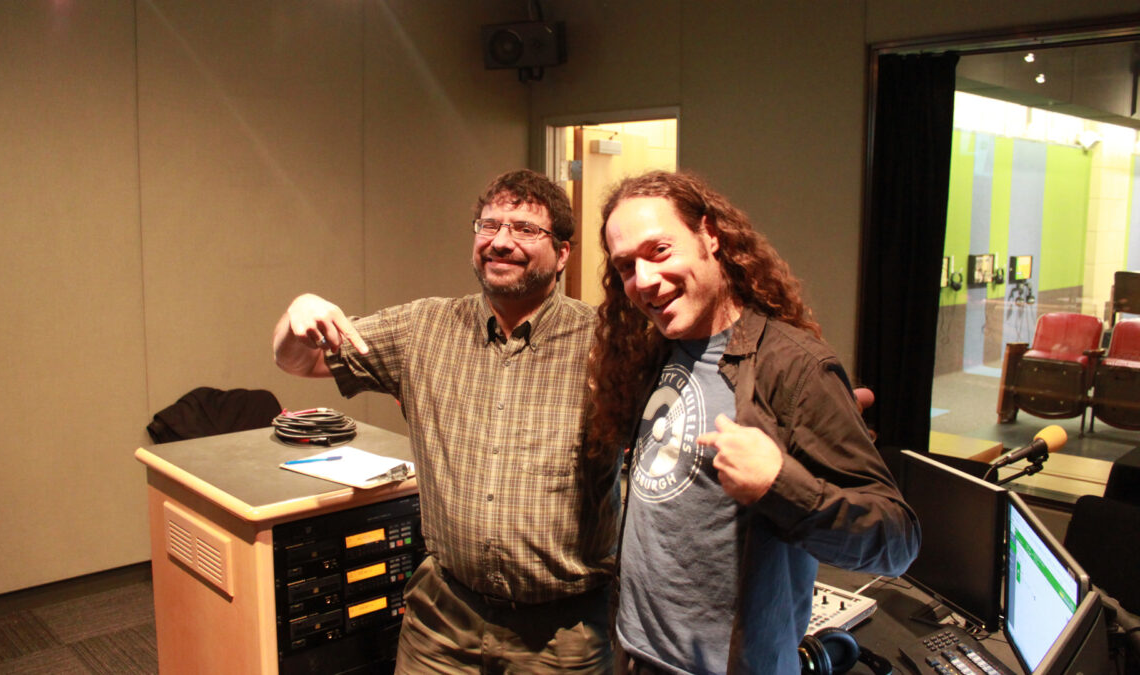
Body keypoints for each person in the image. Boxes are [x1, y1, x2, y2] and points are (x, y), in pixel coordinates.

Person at [272, 169, 617, 673]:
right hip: (443, 622)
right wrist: (298, 310)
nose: (501, 241)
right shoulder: (423, 329)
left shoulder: (605, 346)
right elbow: (297, 361)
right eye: (489, 225)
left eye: (524, 228)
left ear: (563, 253)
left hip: (562, 636)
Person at [587, 170, 920, 674]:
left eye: (659, 251)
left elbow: (897, 543)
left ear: (710, 236)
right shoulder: (658, 350)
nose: (645, 281)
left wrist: (780, 484)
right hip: (635, 654)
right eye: (627, 266)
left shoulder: (794, 366)